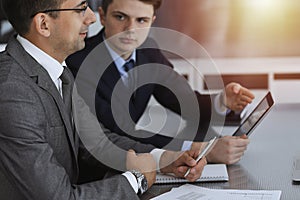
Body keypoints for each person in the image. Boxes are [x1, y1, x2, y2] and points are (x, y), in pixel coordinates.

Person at [0, 0, 207, 199]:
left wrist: (163, 159)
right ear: (44, 24)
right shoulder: (13, 92)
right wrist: (136, 180)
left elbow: (96, 142)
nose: (91, 18)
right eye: (81, 8)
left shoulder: (57, 71)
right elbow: (59, 196)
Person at [66, 0, 255, 165]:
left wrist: (222, 102)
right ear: (102, 16)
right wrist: (200, 150)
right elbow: (119, 135)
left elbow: (183, 101)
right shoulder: (78, 64)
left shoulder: (148, 51)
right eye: (121, 17)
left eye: (141, 20)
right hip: (100, 170)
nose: (131, 29)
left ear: (152, 22)